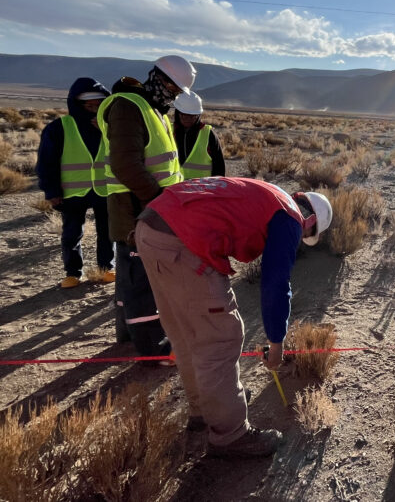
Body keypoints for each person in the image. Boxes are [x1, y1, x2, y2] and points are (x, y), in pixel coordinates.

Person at [132, 177, 332, 458]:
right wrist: (276, 344)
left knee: (186, 330)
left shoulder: (271, 195)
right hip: (183, 241)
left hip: (150, 228)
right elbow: (275, 284)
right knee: (221, 335)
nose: (300, 238)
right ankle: (230, 434)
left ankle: (205, 409)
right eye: (305, 234)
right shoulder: (290, 218)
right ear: (309, 220)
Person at [95, 55, 195, 357]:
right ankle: (152, 348)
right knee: (141, 278)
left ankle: (128, 336)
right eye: (170, 87)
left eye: (177, 92)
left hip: (147, 205)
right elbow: (127, 165)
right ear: (156, 76)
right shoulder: (128, 107)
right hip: (135, 206)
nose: (172, 95)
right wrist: (159, 201)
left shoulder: (154, 109)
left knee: (131, 275)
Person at [36, 77, 115, 289]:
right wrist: (51, 190)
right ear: (76, 104)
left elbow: (123, 154)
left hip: (105, 189)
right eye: (89, 105)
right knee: (71, 234)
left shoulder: (111, 127)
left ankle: (107, 268)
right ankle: (73, 273)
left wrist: (107, 129)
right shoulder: (58, 129)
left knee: (108, 232)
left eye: (98, 105)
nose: (93, 109)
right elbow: (46, 162)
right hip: (72, 191)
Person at [173, 90, 225, 179]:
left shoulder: (208, 134)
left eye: (192, 116)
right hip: (173, 189)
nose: (187, 119)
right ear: (177, 113)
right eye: (184, 115)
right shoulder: (168, 131)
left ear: (198, 115)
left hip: (201, 190)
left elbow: (219, 167)